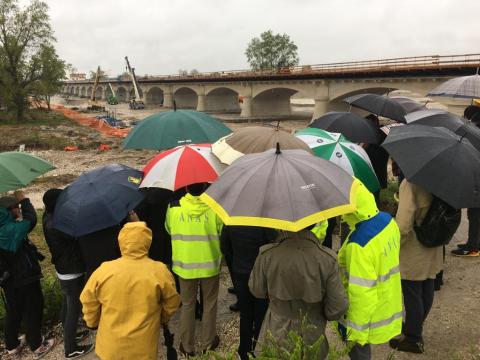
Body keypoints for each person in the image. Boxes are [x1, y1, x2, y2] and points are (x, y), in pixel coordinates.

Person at [80, 219, 180, 360]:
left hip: (110, 347)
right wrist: (162, 317)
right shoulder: (159, 271)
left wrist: (92, 321)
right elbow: (172, 302)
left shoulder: (104, 270)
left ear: (121, 241)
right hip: (143, 347)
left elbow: (88, 299)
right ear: (147, 242)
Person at [249, 224, 348, 359]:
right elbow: (338, 307)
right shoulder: (327, 258)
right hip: (312, 331)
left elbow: (256, 290)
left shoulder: (267, 254)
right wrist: (321, 313)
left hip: (275, 330)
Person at [338, 183, 402, 360]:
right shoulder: (387, 220)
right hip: (388, 302)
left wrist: (356, 333)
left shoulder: (359, 244)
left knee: (360, 353)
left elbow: (361, 293)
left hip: (366, 317)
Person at [165, 183, 223, 356]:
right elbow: (221, 231)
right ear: (206, 188)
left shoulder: (173, 207)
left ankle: (187, 346)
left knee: (188, 305)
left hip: (184, 266)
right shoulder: (215, 207)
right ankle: (208, 342)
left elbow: (168, 229)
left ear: (186, 188)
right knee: (210, 303)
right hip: (210, 264)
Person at [0, 192, 55, 359]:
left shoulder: (4, 226)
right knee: (33, 308)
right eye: (16, 207)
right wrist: (24, 199)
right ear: (10, 210)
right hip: (24, 277)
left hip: (7, 279)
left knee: (14, 311)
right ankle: (37, 345)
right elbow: (31, 219)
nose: (19, 210)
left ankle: (12, 346)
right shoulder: (10, 229)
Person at [390, 179, 443, 353]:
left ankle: (413, 337)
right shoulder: (443, 180)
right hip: (434, 242)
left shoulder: (411, 183)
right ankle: (415, 327)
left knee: (412, 291)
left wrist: (393, 245)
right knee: (427, 285)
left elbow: (404, 226)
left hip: (414, 246)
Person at [42, 189, 93, 358]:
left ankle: (68, 334)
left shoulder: (48, 217)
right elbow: (75, 235)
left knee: (67, 302)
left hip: (63, 267)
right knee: (74, 307)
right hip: (71, 269)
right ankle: (70, 348)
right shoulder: (58, 223)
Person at [221, 226, 277, 360]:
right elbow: (274, 245)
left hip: (240, 271)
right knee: (260, 314)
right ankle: (258, 349)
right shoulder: (265, 222)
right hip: (261, 274)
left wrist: (236, 259)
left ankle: (244, 350)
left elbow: (224, 247)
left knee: (245, 314)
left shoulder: (232, 221)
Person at [451, 115, 480, 257]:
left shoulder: (475, 135)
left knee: (475, 215)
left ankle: (472, 247)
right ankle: (474, 242)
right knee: (475, 215)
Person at [364, 114, 389, 205]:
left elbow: (375, 156)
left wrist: (365, 147)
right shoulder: (373, 136)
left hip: (375, 174)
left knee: (374, 199)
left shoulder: (380, 136)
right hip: (374, 175)